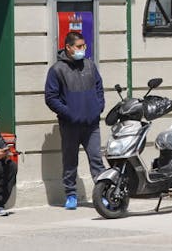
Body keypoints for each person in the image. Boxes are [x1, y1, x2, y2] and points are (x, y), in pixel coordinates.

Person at [44, 31, 105, 210]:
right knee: (70, 161)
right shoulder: (57, 70)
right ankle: (71, 195)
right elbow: (51, 97)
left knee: (96, 160)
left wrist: (98, 107)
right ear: (68, 48)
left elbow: (99, 88)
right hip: (70, 125)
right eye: (78, 46)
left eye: (84, 46)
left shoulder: (90, 66)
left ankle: (103, 194)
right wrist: (68, 113)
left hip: (91, 124)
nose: (82, 49)